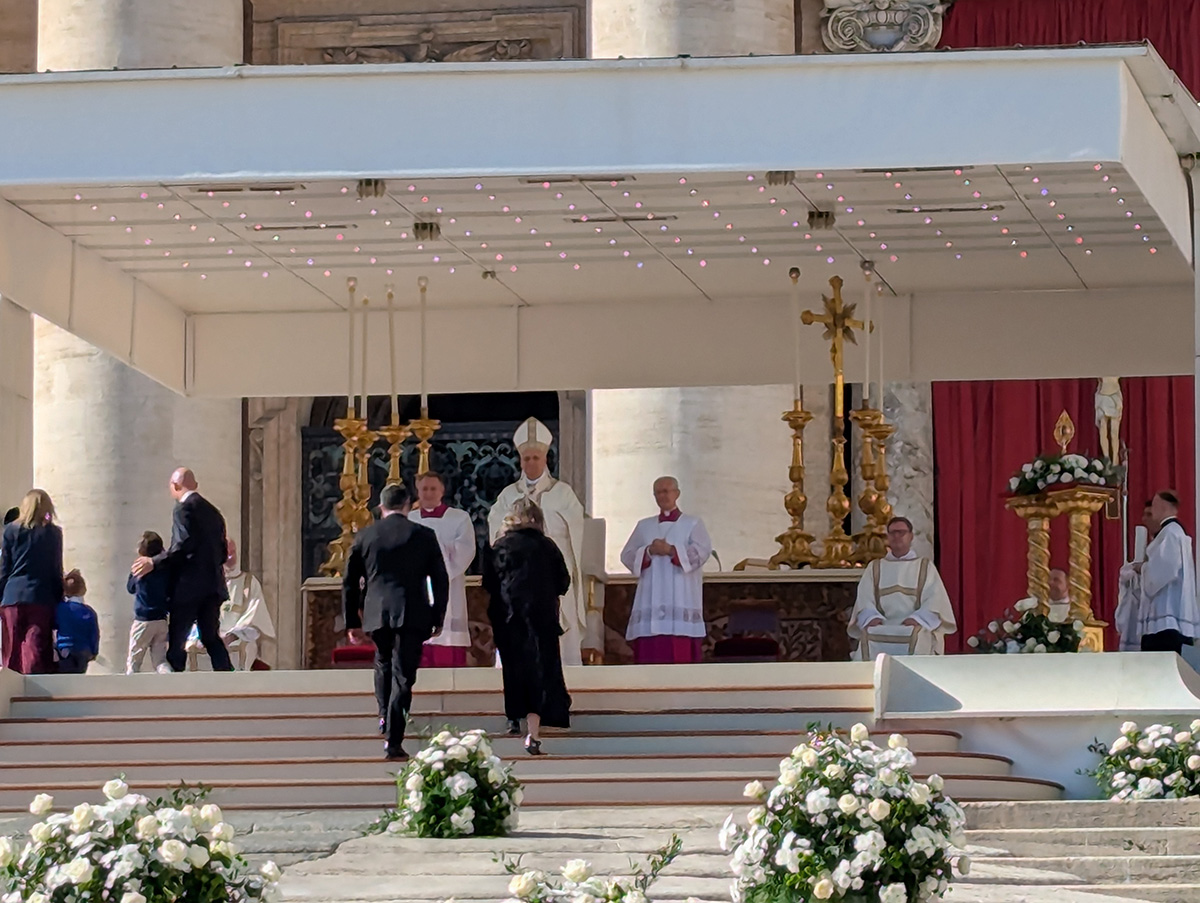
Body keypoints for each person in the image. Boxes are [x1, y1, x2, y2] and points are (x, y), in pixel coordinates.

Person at [344, 482, 450, 761]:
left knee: (382, 661)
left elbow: (349, 582)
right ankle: (394, 740)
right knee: (403, 676)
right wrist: (438, 616)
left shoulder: (365, 535)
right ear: (408, 506)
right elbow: (439, 579)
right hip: (413, 612)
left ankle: (382, 714)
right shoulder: (423, 535)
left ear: (381, 507)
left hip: (377, 611)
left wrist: (350, 621)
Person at [487, 418, 594, 666]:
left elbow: (576, 528)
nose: (531, 463)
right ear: (520, 461)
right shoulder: (509, 494)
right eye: (527, 458)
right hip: (517, 575)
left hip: (551, 571)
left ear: (546, 459)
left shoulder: (563, 493)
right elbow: (496, 532)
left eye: (536, 458)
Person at [483, 499, 571, 755]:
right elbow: (563, 581)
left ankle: (514, 716)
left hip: (508, 615)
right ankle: (548, 714)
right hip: (541, 615)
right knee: (544, 664)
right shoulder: (546, 546)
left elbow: (488, 582)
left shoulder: (500, 546)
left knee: (513, 666)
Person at [131, 467, 233, 673]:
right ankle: (228, 679)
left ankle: (175, 687)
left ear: (175, 486)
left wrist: (154, 562)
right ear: (194, 485)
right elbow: (222, 553)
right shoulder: (214, 513)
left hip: (188, 589)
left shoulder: (183, 509)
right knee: (210, 636)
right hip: (213, 586)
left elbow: (182, 546)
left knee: (177, 638)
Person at [620, 476, 712, 664]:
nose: (662, 495)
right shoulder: (644, 526)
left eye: (666, 491)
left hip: (681, 596)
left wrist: (671, 551)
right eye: (658, 492)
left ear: (676, 493)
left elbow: (702, 552)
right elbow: (627, 555)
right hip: (650, 599)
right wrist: (648, 551)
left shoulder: (693, 523)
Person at [848, 516, 957, 659]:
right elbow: (865, 598)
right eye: (892, 533)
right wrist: (872, 617)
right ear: (887, 536)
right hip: (882, 624)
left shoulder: (925, 566)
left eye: (901, 532)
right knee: (869, 635)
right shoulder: (875, 567)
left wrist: (918, 619)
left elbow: (935, 599)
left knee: (917, 636)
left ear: (911, 536)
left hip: (914, 625)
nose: (897, 536)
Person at [408, 471, 475, 667]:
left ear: (442, 490)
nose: (428, 493)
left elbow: (466, 550)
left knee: (448, 647)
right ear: (418, 492)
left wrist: (440, 569)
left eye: (433, 488)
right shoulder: (409, 518)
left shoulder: (459, 518)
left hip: (449, 586)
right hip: (417, 588)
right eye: (424, 489)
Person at [0, 489, 64, 674]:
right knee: (34, 648)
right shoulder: (53, 534)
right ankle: (32, 691)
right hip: (41, 597)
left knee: (11, 649)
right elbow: (55, 569)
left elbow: (5, 568)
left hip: (12, 596)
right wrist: (58, 597)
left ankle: (10, 694)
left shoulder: (11, 530)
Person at [187, 539, 276, 670]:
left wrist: (232, 635)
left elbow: (254, 617)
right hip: (210, 638)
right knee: (190, 646)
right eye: (227, 554)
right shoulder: (206, 583)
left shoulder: (249, 583)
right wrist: (200, 635)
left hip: (238, 637)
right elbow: (194, 615)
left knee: (240, 648)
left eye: (233, 553)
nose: (230, 557)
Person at [1132, 490, 1200, 654]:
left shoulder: (1169, 533)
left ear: (1163, 507)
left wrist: (1143, 568)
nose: (1152, 511)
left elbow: (1165, 570)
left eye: (1154, 505)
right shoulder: (1174, 532)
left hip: (1166, 619)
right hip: (1172, 619)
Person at [126, 530, 171, 673]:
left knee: (134, 660)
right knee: (160, 660)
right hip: (161, 619)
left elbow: (131, 588)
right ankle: (170, 684)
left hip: (143, 619)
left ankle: (130, 691)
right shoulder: (164, 568)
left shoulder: (140, 567)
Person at [1116, 501, 1158, 652]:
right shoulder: (1146, 543)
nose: (1144, 519)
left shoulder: (1168, 543)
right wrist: (1132, 572)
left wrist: (1144, 569)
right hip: (1136, 614)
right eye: (1144, 514)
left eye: (1150, 514)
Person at [54, 569, 99, 674]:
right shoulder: (89, 611)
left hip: (65, 648)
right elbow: (94, 634)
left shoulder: (61, 608)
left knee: (66, 676)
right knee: (80, 676)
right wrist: (94, 651)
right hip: (84, 650)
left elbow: (55, 625)